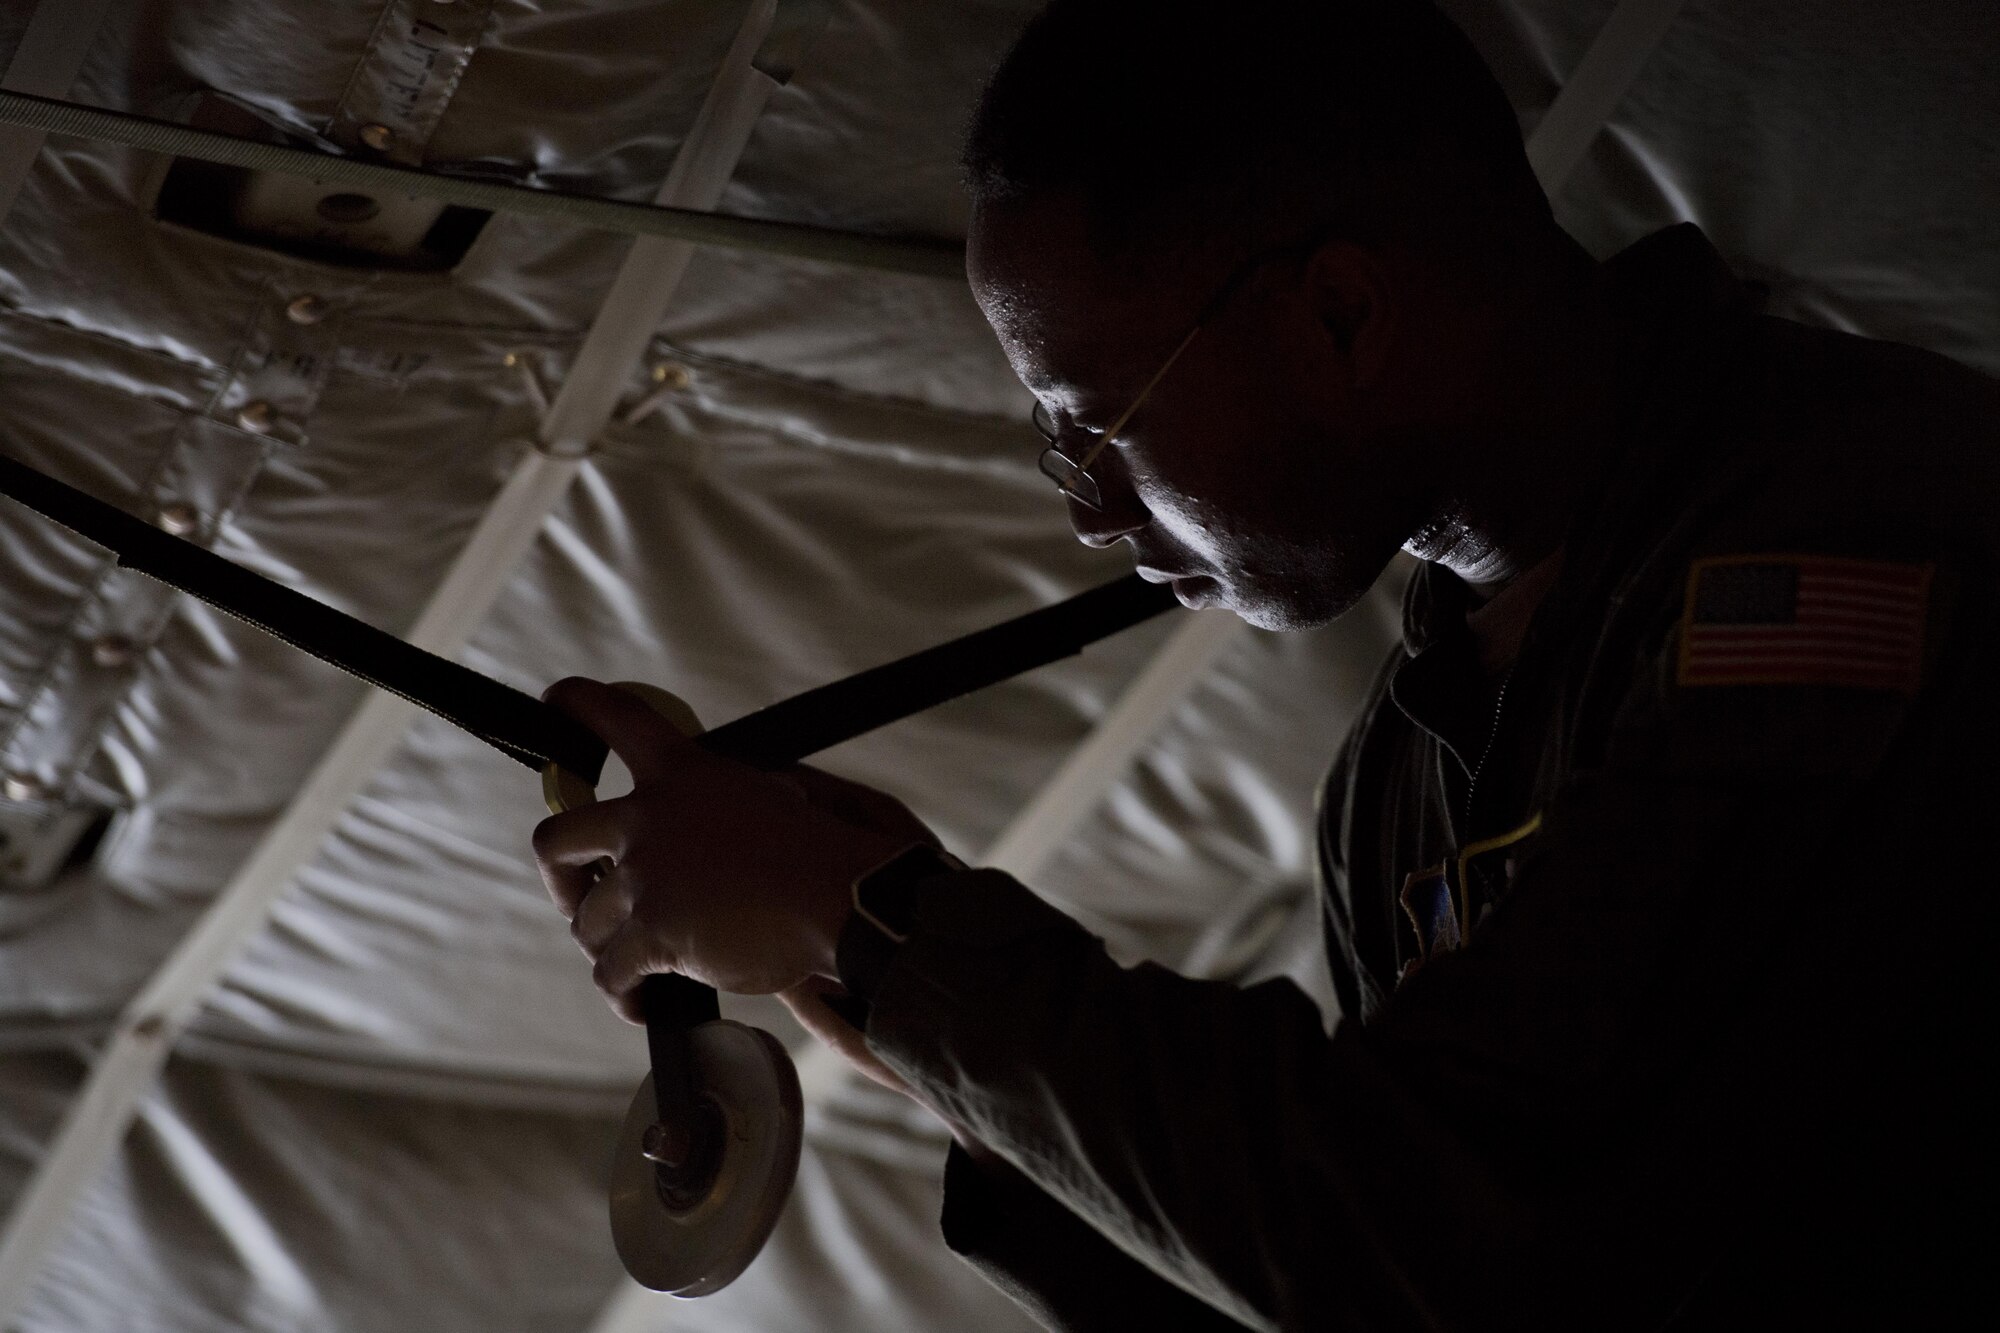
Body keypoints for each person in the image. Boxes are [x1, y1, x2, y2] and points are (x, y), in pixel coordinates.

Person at [531, 1, 2000, 1326]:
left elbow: (1461, 1224)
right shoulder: (1400, 776)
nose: (1092, 512)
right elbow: (1342, 1287)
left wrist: (873, 922)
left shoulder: (1857, 525)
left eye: (1096, 423)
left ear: (1342, 314)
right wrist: (898, 1001)